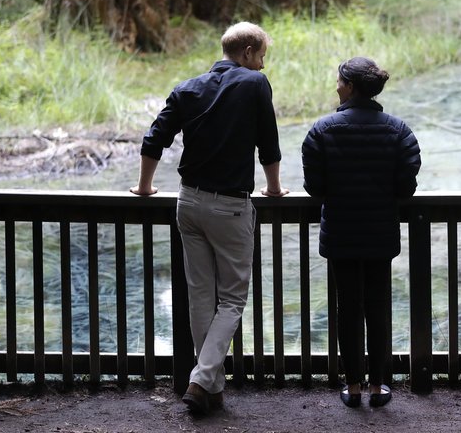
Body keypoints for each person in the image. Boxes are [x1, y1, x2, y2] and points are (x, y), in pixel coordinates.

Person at [130, 21, 289, 413]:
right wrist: (272, 188)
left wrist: (146, 187)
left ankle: (211, 388)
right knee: (232, 300)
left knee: (201, 295)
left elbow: (154, 138)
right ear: (248, 51)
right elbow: (267, 142)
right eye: (262, 58)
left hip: (188, 203)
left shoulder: (187, 88)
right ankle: (201, 379)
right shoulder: (254, 85)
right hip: (229, 206)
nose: (262, 67)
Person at [301, 56, 421, 408]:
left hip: (340, 232)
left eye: (339, 81)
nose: (336, 86)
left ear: (350, 87)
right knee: (378, 307)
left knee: (347, 308)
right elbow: (405, 189)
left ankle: (353, 387)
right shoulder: (399, 131)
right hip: (381, 232)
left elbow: (315, 188)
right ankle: (378, 387)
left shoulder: (321, 130)